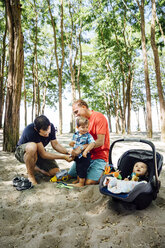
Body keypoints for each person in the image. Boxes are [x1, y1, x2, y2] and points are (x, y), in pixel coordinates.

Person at [15, 115, 72, 185]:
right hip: (22, 152)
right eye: (44, 134)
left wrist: (68, 152)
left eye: (48, 132)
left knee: (54, 172)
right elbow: (43, 154)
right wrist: (63, 157)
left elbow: (55, 145)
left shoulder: (51, 126)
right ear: (36, 129)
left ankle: (35, 168)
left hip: (39, 151)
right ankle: (31, 175)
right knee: (32, 147)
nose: (47, 135)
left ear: (49, 125)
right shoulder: (30, 131)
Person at [68, 99, 110, 185]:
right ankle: (89, 170)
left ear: (83, 107)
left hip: (100, 155)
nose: (76, 115)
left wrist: (83, 147)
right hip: (86, 155)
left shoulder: (99, 117)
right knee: (71, 174)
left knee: (89, 182)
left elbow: (100, 142)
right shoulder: (83, 122)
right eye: (74, 113)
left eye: (76, 112)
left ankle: (106, 168)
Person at [69, 117, 95, 187]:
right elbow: (73, 142)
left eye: (87, 127)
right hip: (77, 156)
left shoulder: (88, 135)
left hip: (84, 156)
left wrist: (85, 151)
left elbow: (92, 143)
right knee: (77, 168)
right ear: (77, 127)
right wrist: (71, 143)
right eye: (83, 127)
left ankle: (81, 183)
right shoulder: (76, 134)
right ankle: (78, 180)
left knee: (82, 169)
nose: (85, 129)